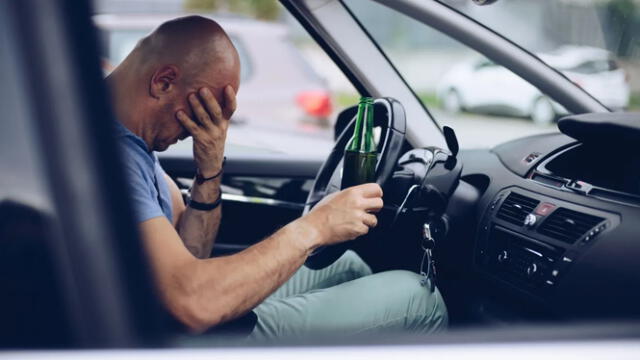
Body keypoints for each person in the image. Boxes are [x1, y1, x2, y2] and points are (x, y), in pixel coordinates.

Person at [106, 15, 447, 339]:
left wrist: (209, 169)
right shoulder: (113, 159)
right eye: (206, 110)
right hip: (185, 338)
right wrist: (315, 226)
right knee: (420, 299)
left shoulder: (137, 146)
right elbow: (193, 303)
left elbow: (193, 254)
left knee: (349, 265)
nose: (207, 127)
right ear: (163, 82)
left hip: (182, 315)